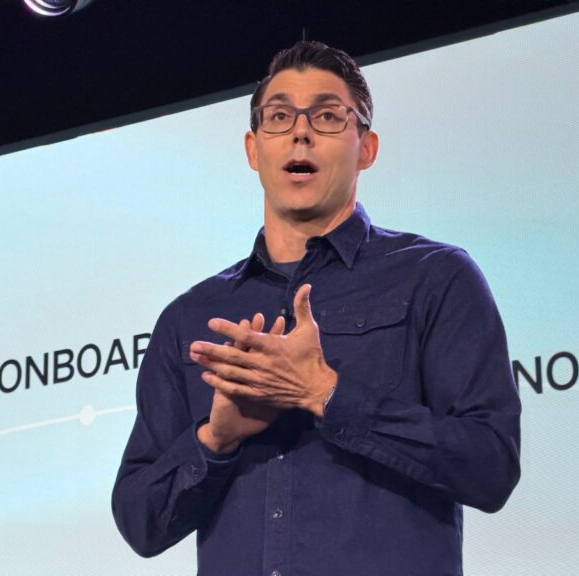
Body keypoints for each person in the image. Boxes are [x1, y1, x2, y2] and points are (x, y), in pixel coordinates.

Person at [112, 40, 521, 576]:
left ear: (366, 148)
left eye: (327, 116)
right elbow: (140, 521)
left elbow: (490, 466)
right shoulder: (191, 316)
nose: (300, 132)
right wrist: (217, 438)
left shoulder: (435, 276)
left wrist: (325, 394)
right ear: (253, 149)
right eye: (279, 117)